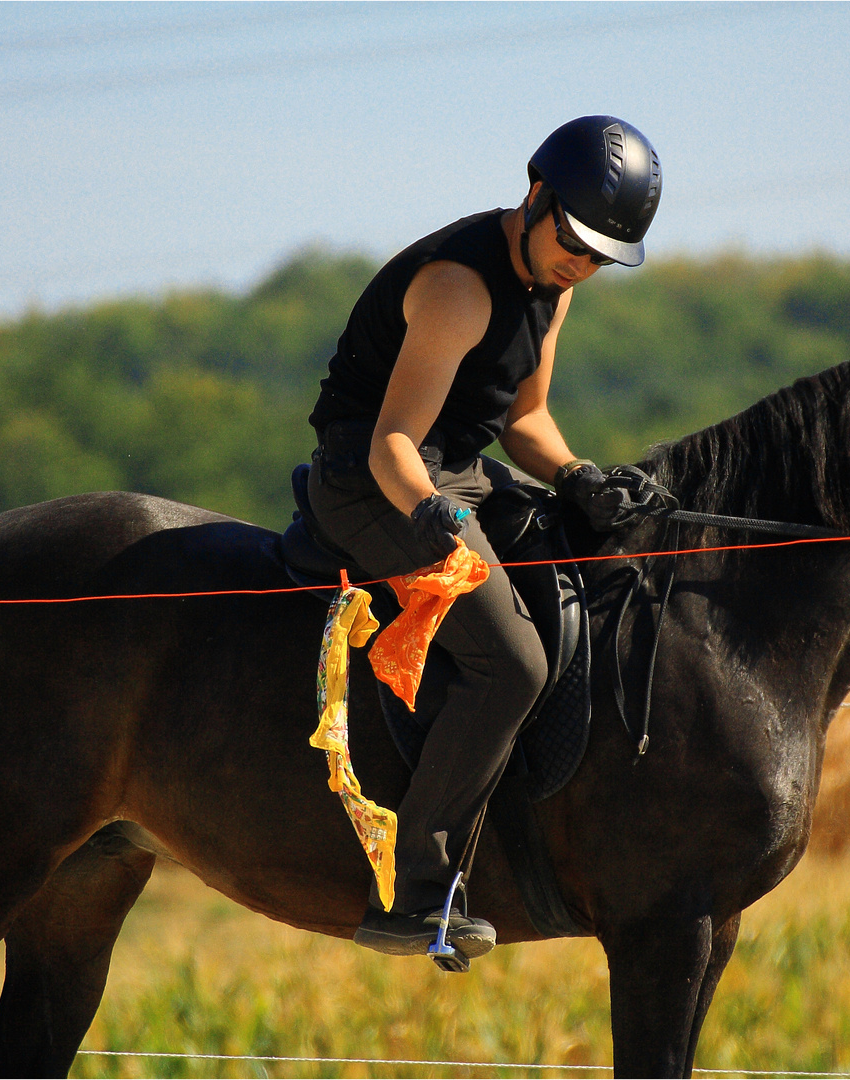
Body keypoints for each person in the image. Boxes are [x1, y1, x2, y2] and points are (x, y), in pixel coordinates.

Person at [305, 115, 665, 957]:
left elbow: (526, 418)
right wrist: (435, 516)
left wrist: (577, 475)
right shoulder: (457, 288)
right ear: (534, 195)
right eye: (573, 242)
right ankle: (414, 895)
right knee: (513, 663)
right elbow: (393, 439)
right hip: (372, 478)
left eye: (598, 257)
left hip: (454, 467)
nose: (579, 264)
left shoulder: (556, 281)